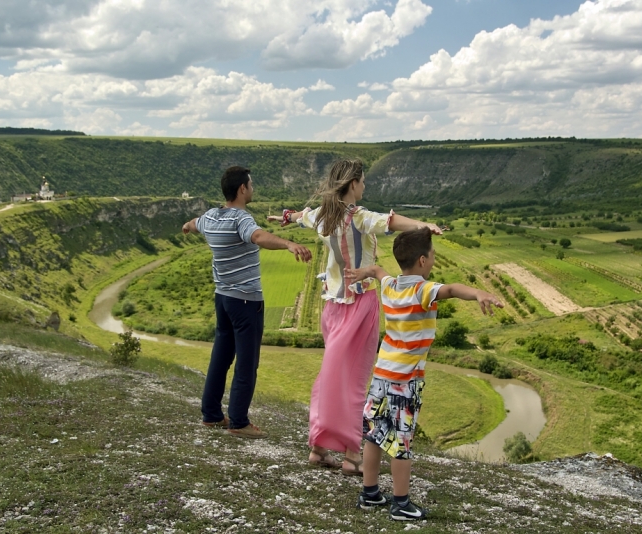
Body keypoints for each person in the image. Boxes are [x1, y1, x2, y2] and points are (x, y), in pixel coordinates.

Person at [268, 159, 442, 474]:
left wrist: (286, 217)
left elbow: (300, 217)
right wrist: (423, 225)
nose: (364, 187)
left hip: (331, 306)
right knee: (356, 381)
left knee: (331, 377)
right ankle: (351, 456)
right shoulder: (356, 217)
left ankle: (319, 448)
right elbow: (388, 222)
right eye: (362, 182)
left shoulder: (322, 217)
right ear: (352, 184)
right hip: (360, 303)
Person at [345, 227, 502, 520]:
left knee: (375, 434)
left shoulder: (390, 285)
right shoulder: (422, 290)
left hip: (381, 375)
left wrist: (362, 272)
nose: (433, 261)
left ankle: (369, 494)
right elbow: (453, 289)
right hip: (405, 381)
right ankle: (401, 504)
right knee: (401, 442)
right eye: (431, 257)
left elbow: (378, 270)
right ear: (421, 260)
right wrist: (479, 292)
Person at [182, 166, 311, 439]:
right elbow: (258, 236)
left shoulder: (211, 217)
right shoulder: (241, 219)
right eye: (251, 184)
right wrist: (288, 244)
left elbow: (194, 223)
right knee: (246, 362)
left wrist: (187, 226)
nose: (252, 188)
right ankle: (238, 421)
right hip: (246, 302)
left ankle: (211, 415)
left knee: (221, 356)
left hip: (223, 299)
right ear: (242, 189)